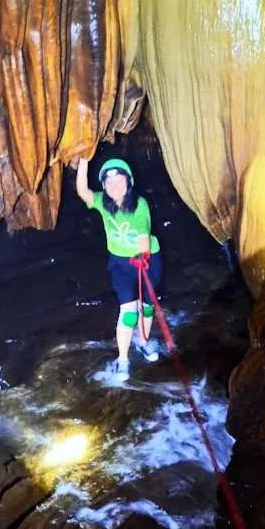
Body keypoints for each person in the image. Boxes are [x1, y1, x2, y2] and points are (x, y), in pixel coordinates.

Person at [75, 156, 161, 381]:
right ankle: (123, 359)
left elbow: (143, 232)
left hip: (146, 259)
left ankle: (143, 342)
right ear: (104, 186)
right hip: (121, 263)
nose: (114, 186)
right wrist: (83, 162)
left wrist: (143, 256)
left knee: (147, 307)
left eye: (119, 181)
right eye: (109, 183)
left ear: (128, 181)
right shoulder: (103, 202)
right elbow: (83, 192)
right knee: (129, 312)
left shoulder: (139, 204)